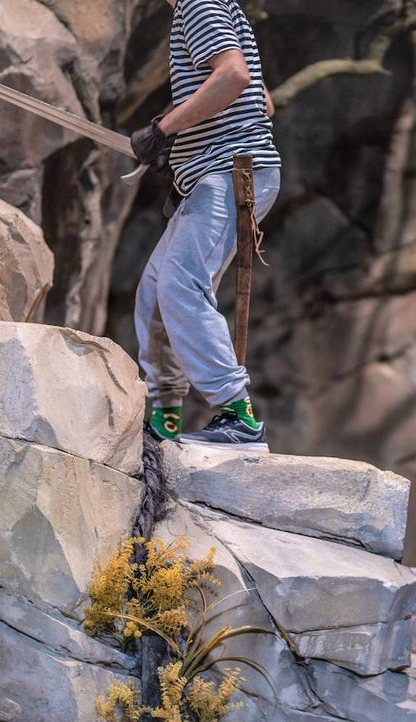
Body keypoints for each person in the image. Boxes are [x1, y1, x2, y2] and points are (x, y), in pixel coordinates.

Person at [130, 0, 280, 450]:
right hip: (217, 170)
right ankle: (166, 420)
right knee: (155, 292)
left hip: (232, 171)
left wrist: (163, 129)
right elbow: (263, 101)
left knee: (181, 283)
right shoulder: (210, 6)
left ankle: (239, 415)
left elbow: (233, 76)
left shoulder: (198, 2)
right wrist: (182, 150)